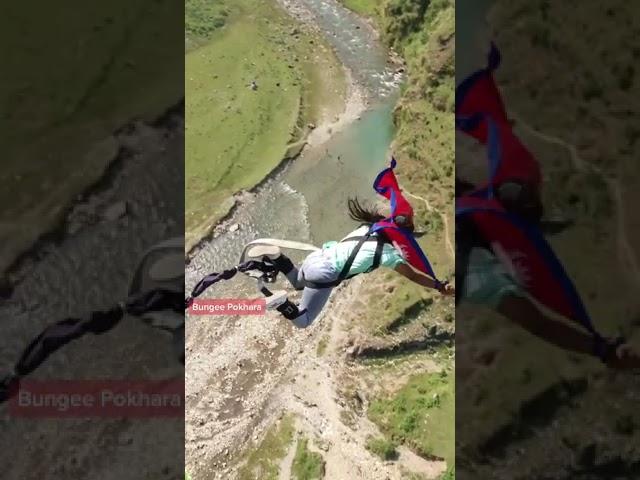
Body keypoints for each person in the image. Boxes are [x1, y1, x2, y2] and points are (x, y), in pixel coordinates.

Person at [247, 197, 454, 328]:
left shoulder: (368, 226)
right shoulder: (387, 253)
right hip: (325, 273)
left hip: (316, 258)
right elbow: (414, 275)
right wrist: (438, 285)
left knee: (299, 284)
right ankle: (282, 303)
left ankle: (277, 257)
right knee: (303, 321)